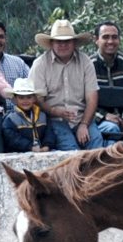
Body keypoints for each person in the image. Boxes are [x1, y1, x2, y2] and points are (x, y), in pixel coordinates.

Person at [30, 19, 104, 150]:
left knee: (96, 145)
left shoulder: (86, 62)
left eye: (67, 41)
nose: (63, 45)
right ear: (52, 43)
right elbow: (37, 99)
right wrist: (54, 111)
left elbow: (92, 97)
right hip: (53, 119)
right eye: (59, 41)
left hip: (82, 116)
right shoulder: (40, 64)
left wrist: (84, 124)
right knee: (70, 149)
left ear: (74, 43)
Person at [90, 21, 123, 142]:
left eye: (114, 37)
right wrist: (104, 116)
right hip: (101, 120)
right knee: (111, 129)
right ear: (96, 40)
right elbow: (81, 101)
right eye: (105, 37)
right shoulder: (88, 66)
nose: (110, 41)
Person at [2, 77, 57, 152]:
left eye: (29, 97)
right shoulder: (10, 119)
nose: (25, 101)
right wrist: (29, 146)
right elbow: (12, 138)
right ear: (15, 99)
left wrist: (47, 145)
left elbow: (49, 133)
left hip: (42, 150)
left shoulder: (43, 116)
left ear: (34, 98)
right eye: (21, 98)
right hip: (18, 153)